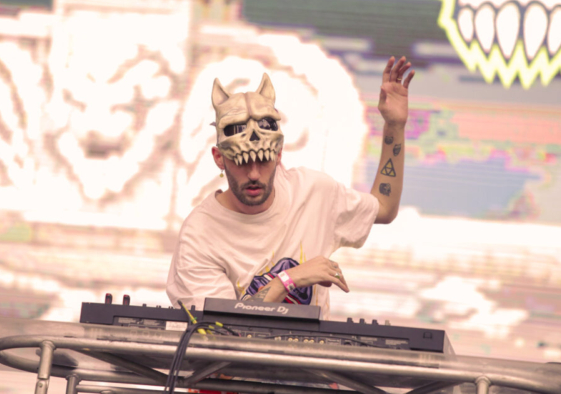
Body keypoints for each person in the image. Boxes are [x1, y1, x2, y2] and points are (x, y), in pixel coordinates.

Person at [166, 57, 414, 319]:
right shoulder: (199, 235)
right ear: (219, 158)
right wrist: (288, 280)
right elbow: (219, 330)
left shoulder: (313, 192)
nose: (254, 174)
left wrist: (394, 126)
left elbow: (384, 208)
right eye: (242, 162)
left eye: (263, 160)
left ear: (279, 154)